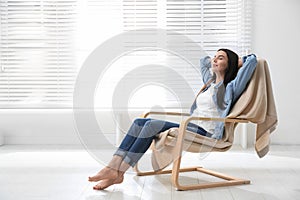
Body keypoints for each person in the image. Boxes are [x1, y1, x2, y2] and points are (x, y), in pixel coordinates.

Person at [88, 49, 258, 190]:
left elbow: (252, 61)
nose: (214, 60)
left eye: (220, 58)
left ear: (230, 65)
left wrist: (240, 61)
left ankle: (117, 172)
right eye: (215, 56)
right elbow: (203, 61)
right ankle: (114, 169)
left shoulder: (232, 87)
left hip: (206, 132)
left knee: (151, 125)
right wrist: (217, 60)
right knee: (140, 122)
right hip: (192, 125)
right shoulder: (209, 82)